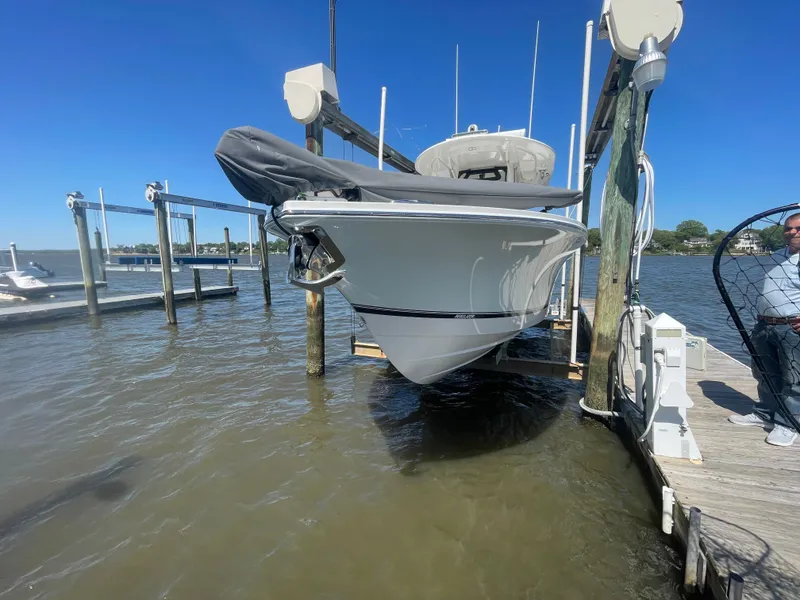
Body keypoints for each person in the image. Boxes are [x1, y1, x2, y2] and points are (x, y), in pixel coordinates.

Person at [729, 213, 800, 446]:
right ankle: (765, 414)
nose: (792, 233)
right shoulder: (777, 256)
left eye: (798, 229)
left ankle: (789, 423)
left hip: (793, 327)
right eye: (788, 229)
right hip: (765, 324)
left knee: (794, 378)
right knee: (764, 372)